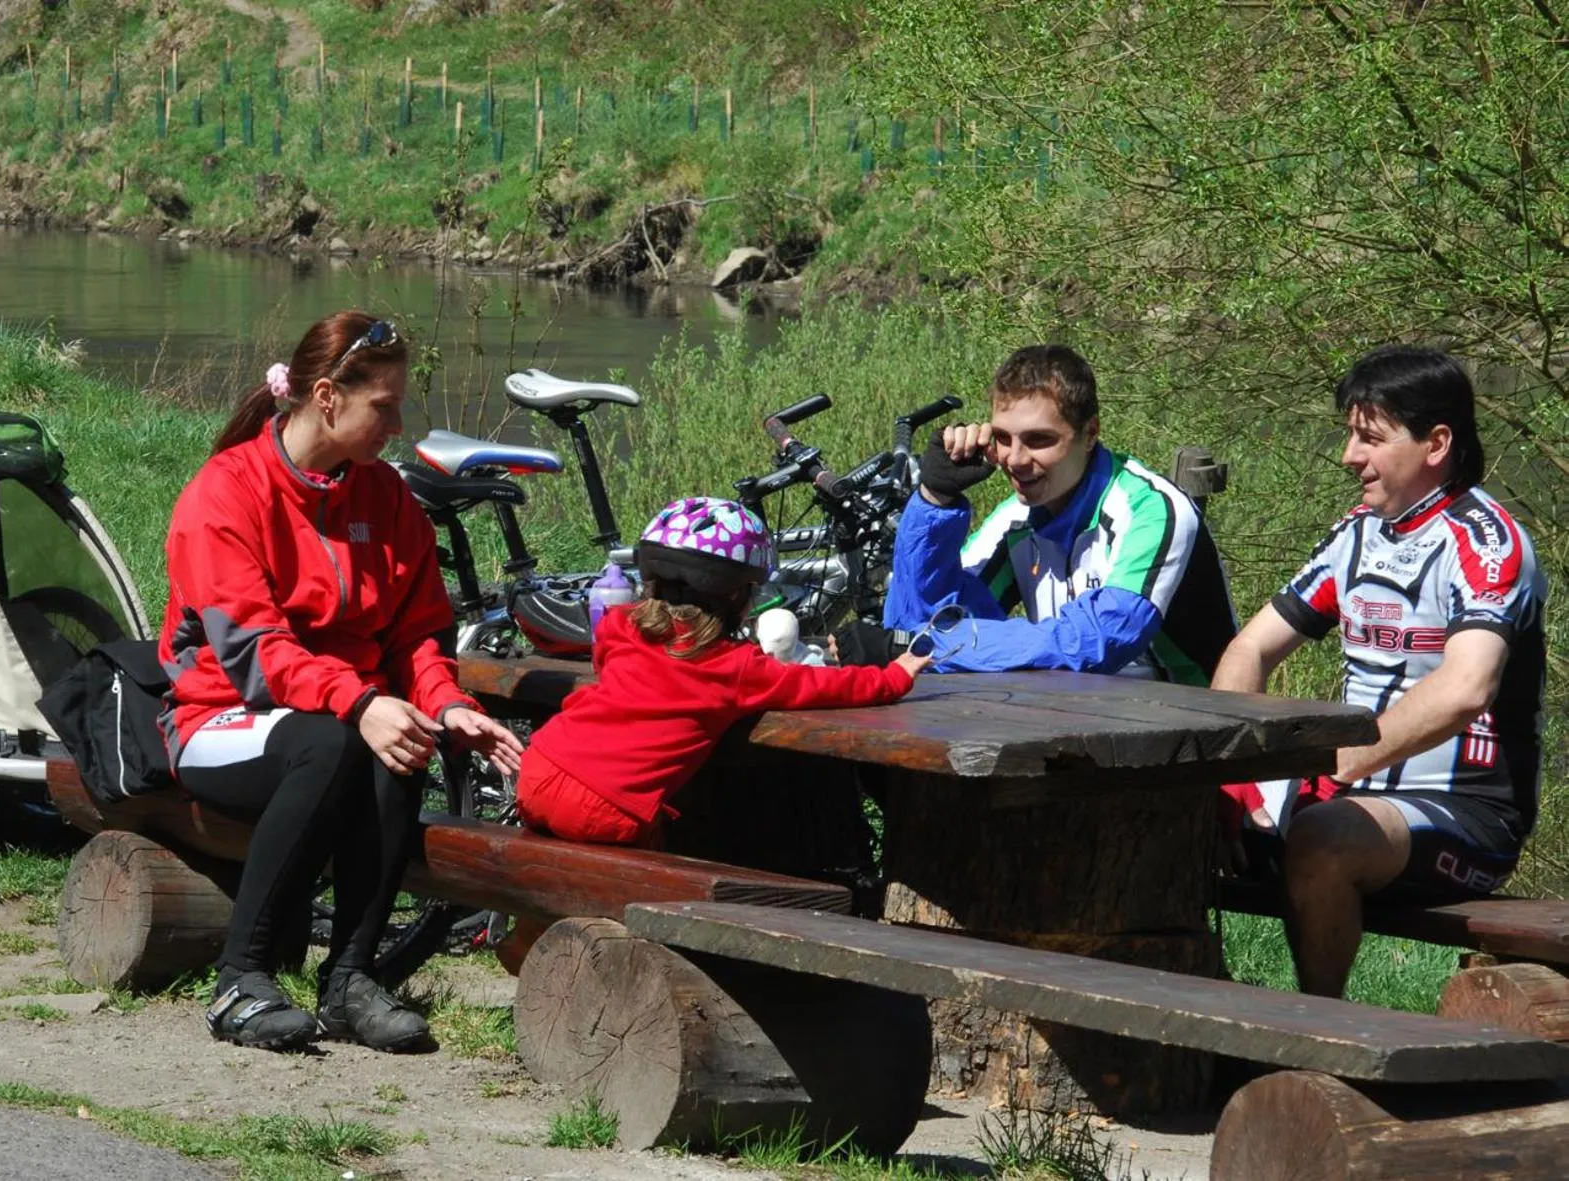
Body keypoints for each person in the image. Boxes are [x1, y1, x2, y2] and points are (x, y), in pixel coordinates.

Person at [159, 312, 524, 1052]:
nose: (397, 423)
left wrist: (446, 704)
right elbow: (254, 656)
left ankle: (350, 978)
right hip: (218, 717)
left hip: (336, 720)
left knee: (398, 743)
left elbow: (416, 634)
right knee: (340, 742)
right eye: (383, 406)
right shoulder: (225, 492)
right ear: (327, 397)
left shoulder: (386, 498)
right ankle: (240, 978)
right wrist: (360, 701)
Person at [1212, 346, 1547, 997]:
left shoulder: (1486, 542)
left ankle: (1318, 1038)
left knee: (1320, 835)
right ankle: (1185, 1042)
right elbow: (1248, 650)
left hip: (1465, 814)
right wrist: (1232, 777)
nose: (1347, 455)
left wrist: (1335, 765)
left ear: (1435, 443)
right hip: (1352, 790)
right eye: (1348, 434)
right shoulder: (1355, 534)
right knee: (1172, 810)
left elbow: (1464, 688)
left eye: (1369, 437)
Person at [517, 497, 931, 846]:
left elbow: (610, 665)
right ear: (736, 595)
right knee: (659, 884)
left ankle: (528, 940)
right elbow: (821, 684)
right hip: (607, 802)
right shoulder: (734, 667)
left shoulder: (620, 624)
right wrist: (896, 674)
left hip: (539, 766)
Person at [871, 344, 1237, 682]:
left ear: (1090, 433)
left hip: (1193, 731)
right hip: (1078, 717)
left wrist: (917, 647)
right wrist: (936, 500)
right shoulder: (1014, 520)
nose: (1014, 459)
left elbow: (1096, 643)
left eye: (1039, 440)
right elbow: (922, 620)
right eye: (1003, 438)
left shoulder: (1152, 510)